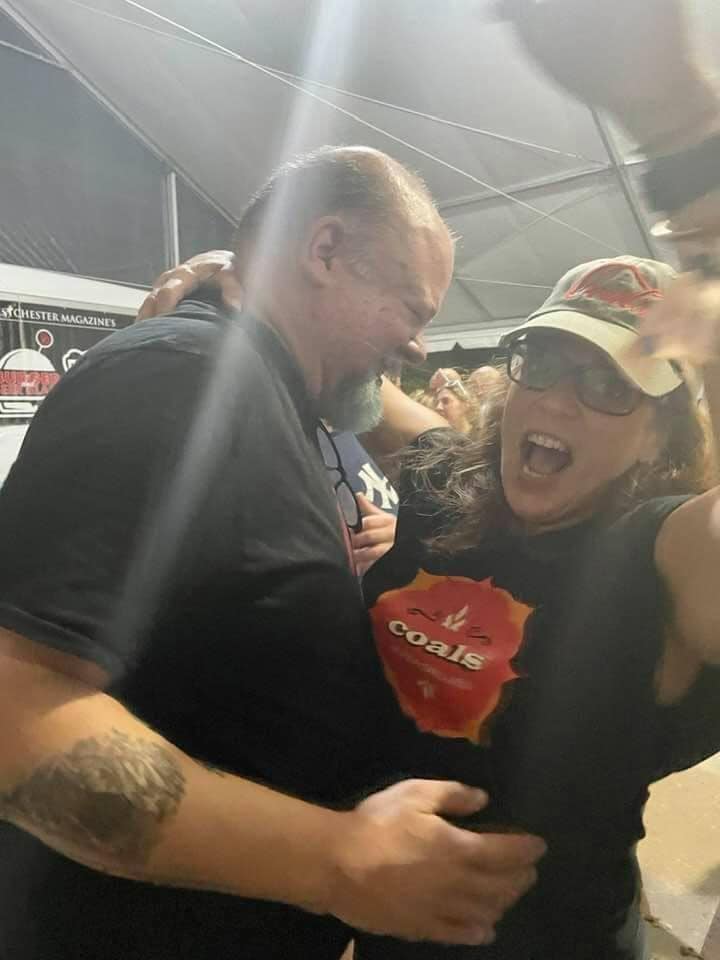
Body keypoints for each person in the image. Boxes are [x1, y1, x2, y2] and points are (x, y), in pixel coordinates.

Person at [0, 146, 544, 960]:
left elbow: (460, 467)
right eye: (412, 308)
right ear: (323, 250)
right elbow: (15, 706)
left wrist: (245, 278)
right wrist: (332, 861)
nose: (422, 348)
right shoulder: (179, 379)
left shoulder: (262, 384)